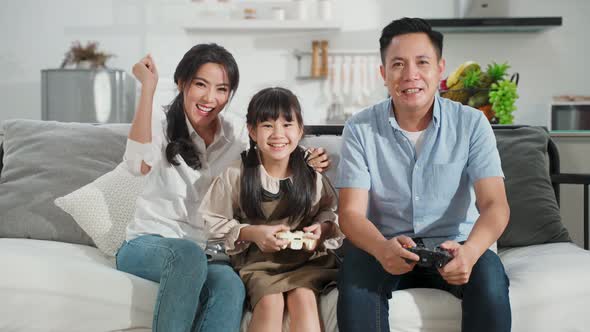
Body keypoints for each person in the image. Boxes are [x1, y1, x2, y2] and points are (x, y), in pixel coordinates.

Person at [115, 44, 330, 332]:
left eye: (222, 89)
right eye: (200, 85)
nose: (210, 98)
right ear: (182, 83)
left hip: (208, 250)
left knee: (230, 284)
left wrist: (309, 155)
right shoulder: (160, 122)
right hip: (149, 244)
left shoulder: (236, 133)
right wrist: (149, 89)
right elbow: (136, 164)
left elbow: (274, 143)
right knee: (186, 255)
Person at [335, 18, 511, 332]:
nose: (410, 75)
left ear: (440, 69)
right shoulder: (360, 128)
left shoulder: (472, 124)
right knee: (355, 278)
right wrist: (380, 248)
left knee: (491, 283)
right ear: (383, 73)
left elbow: (495, 204)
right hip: (386, 245)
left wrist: (470, 252)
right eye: (398, 64)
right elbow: (349, 213)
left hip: (457, 244)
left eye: (422, 62)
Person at [200, 87, 343, 332]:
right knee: (270, 301)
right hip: (259, 263)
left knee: (304, 298)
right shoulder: (238, 173)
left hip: (306, 261)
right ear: (252, 131)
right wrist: (253, 233)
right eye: (267, 125)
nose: (278, 134)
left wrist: (321, 230)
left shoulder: (311, 173)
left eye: (287, 124)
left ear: (300, 130)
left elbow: (329, 212)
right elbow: (211, 219)